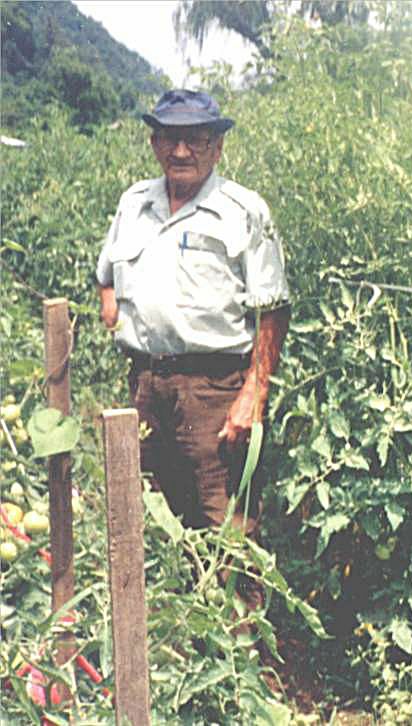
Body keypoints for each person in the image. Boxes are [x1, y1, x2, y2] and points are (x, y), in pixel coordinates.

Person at [96, 89, 290, 545]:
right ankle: (164, 617)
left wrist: (254, 394)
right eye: (169, 139)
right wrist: (115, 309)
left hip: (214, 393)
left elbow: (273, 308)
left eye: (196, 140)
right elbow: (105, 273)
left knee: (229, 534)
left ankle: (237, 619)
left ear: (217, 147)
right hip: (144, 390)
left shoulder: (243, 211)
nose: (180, 151)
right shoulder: (133, 204)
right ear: (154, 144)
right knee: (150, 524)